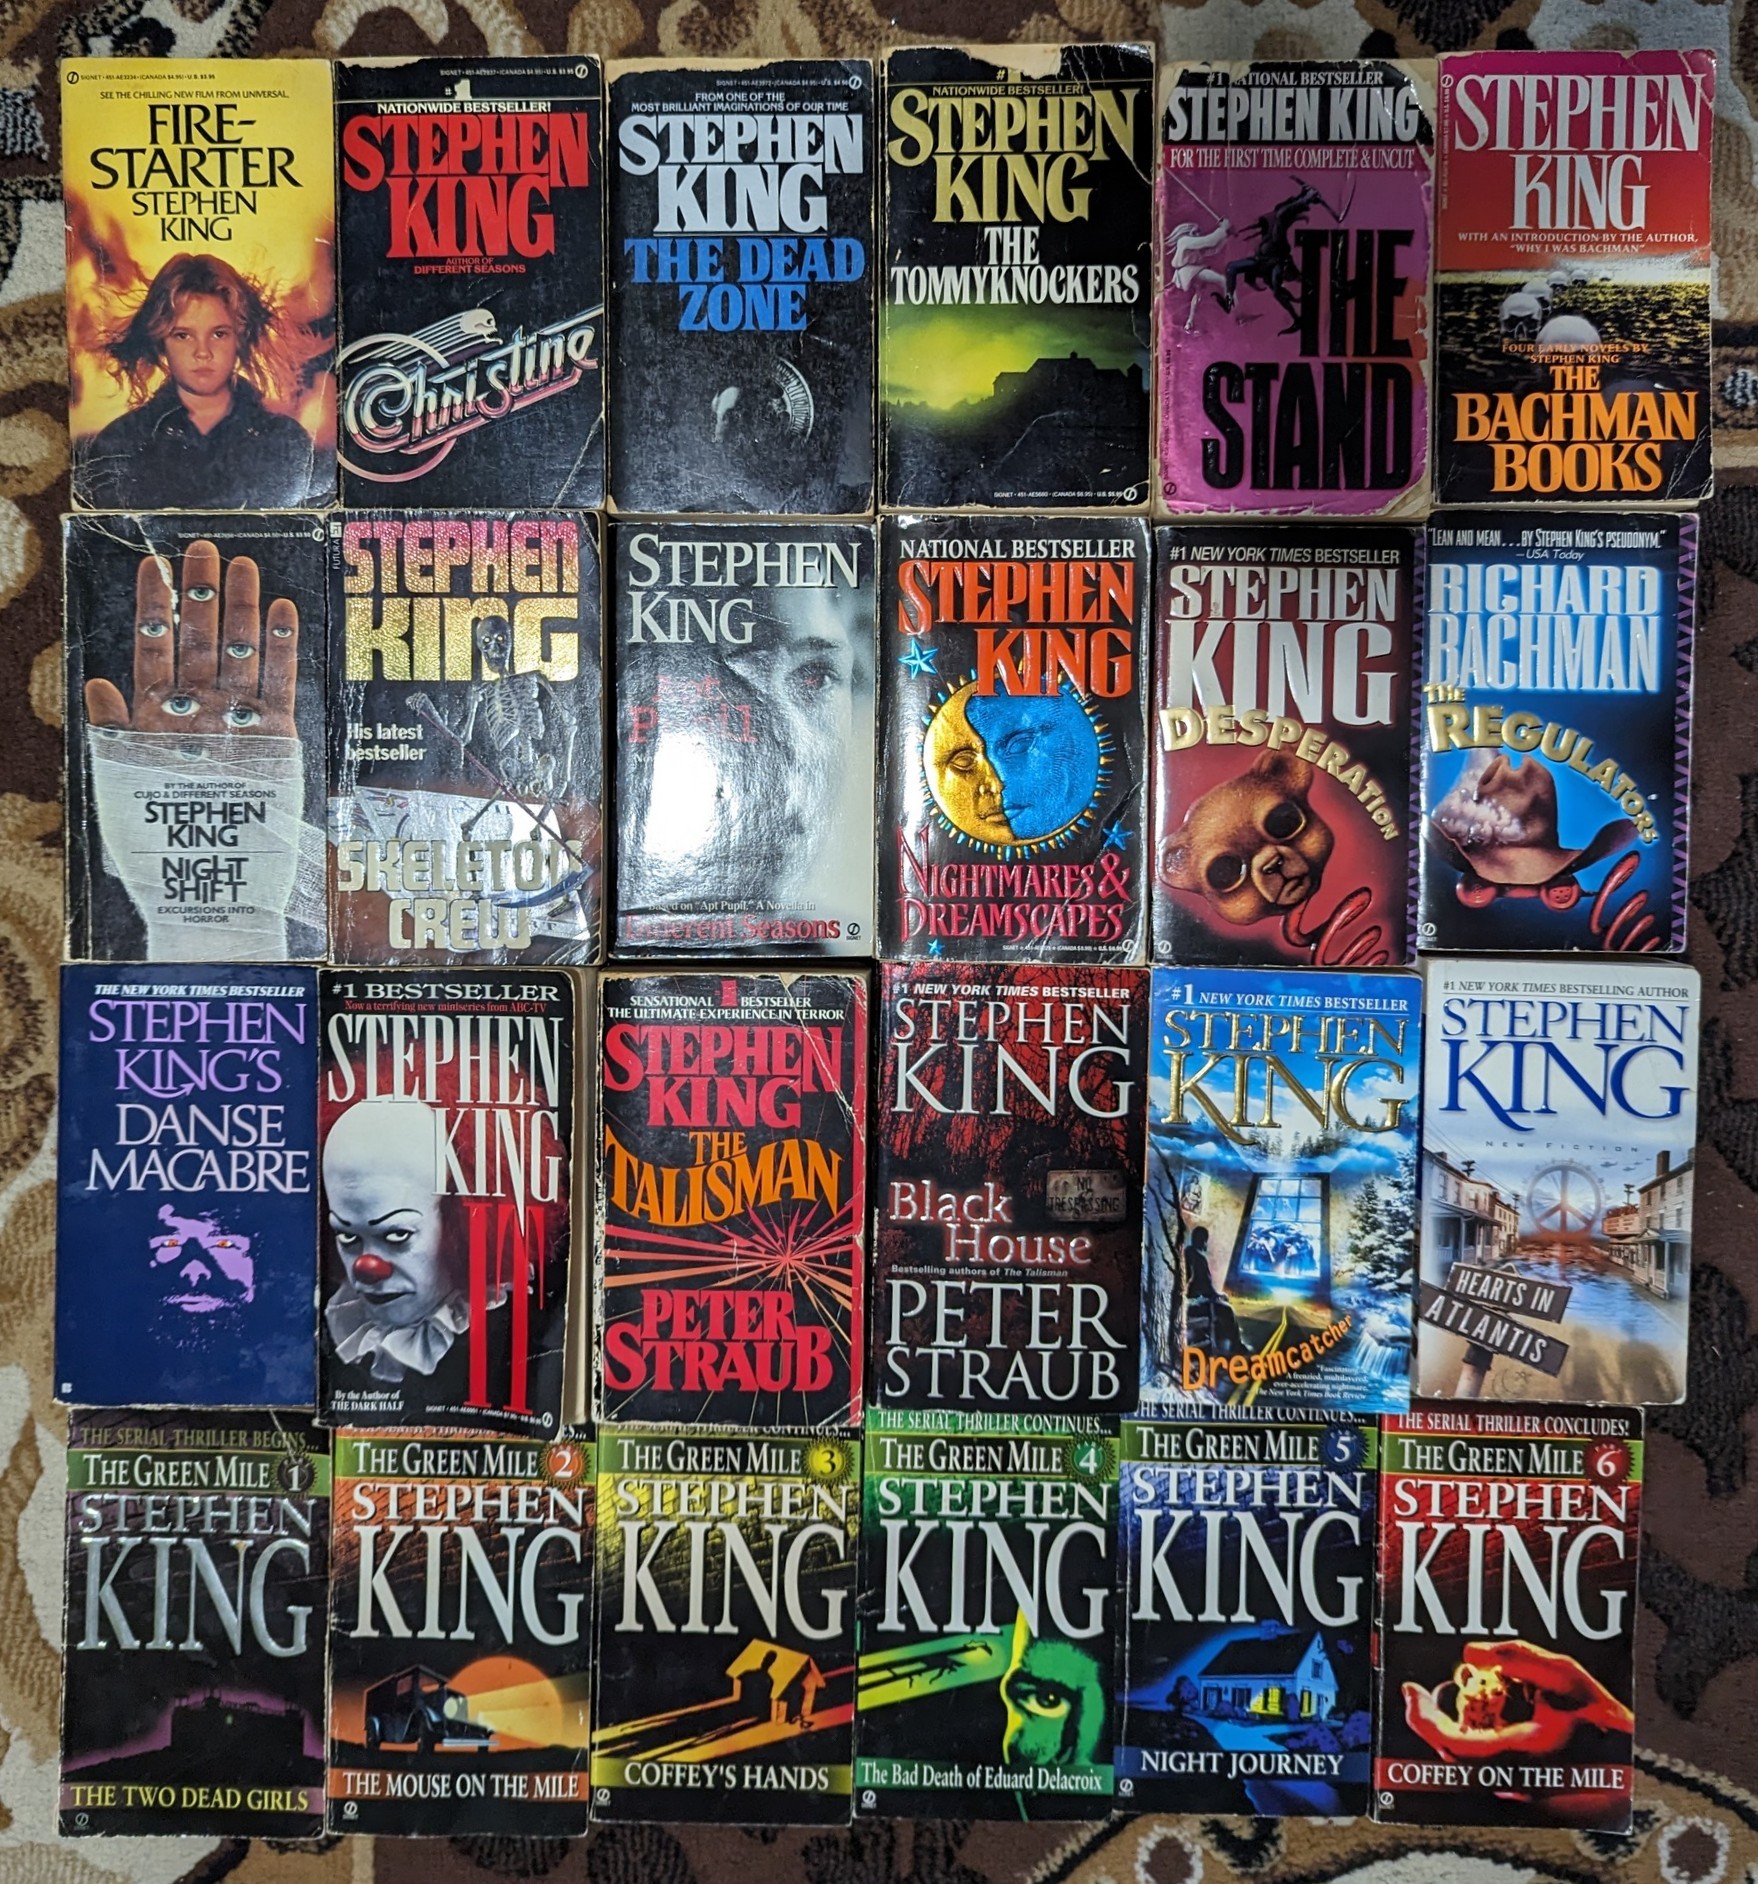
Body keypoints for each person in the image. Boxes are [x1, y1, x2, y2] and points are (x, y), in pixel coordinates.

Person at [75, 252, 317, 509]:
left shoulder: (284, 440)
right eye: (183, 335)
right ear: (160, 341)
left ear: (240, 338)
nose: (203, 352)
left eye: (219, 334)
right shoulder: (119, 443)